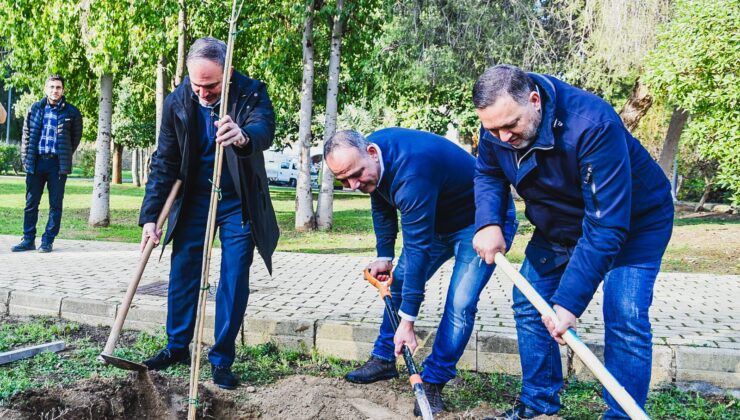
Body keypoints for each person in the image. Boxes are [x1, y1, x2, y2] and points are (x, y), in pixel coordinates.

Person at [471, 64, 674, 420]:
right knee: (529, 304)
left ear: (534, 101)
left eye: (511, 126)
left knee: (624, 315)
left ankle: (621, 416)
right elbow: (487, 172)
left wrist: (568, 302)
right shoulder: (496, 123)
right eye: (493, 129)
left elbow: (605, 225)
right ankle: (538, 405)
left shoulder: (591, 123)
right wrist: (488, 222)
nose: (502, 137)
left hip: (634, 222)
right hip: (559, 223)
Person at [324, 128, 518, 416]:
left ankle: (433, 382)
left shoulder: (412, 170)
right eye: (343, 179)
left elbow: (418, 250)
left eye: (355, 174)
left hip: (481, 223)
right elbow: (381, 201)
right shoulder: (370, 159)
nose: (352, 184)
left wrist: (408, 321)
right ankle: (384, 359)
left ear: (372, 153)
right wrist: (384, 255)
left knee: (460, 303)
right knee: (398, 281)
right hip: (438, 219)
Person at [138, 37, 279, 390]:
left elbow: (265, 128)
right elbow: (165, 161)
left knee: (233, 276)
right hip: (194, 198)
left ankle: (221, 359)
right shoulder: (178, 101)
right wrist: (151, 216)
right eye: (196, 85)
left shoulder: (250, 92)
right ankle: (176, 347)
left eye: (211, 85)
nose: (202, 94)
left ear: (227, 72)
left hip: (237, 200)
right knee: (183, 268)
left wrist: (242, 136)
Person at [12, 75, 82, 253]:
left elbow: (75, 139)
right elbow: (26, 135)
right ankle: (28, 239)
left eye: (58, 87)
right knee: (30, 203)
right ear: (46, 89)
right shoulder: (35, 108)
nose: (55, 90)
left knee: (55, 205)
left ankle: (47, 241)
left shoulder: (72, 112)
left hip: (57, 165)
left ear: (63, 90)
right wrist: (26, 159)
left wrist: (63, 156)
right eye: (51, 87)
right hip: (36, 163)